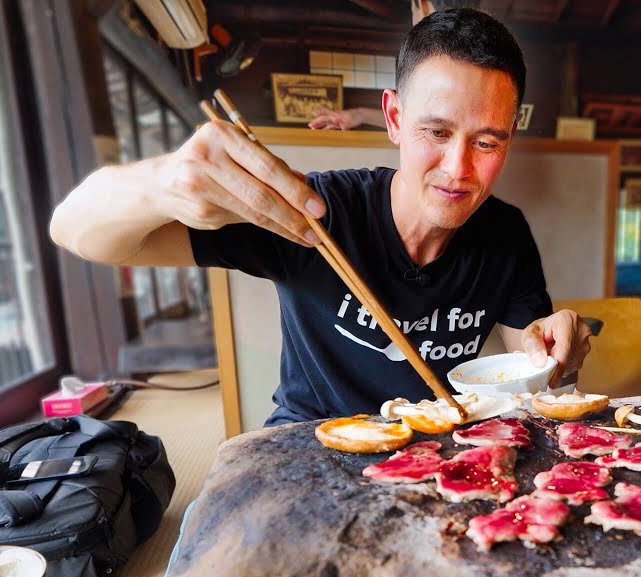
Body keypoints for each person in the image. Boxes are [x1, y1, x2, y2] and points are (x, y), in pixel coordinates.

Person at [50, 9, 590, 427]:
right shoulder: (313, 213)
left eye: (487, 142)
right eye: (437, 132)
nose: (458, 169)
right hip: (311, 443)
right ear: (395, 119)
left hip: (435, 447)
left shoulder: (505, 232)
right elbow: (77, 233)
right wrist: (159, 183)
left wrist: (553, 343)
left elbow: (528, 355)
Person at [308, 0, 481, 131]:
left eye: (412, 9)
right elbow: (415, 118)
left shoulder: (439, 60)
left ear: (423, 5)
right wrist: (358, 115)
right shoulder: (479, 52)